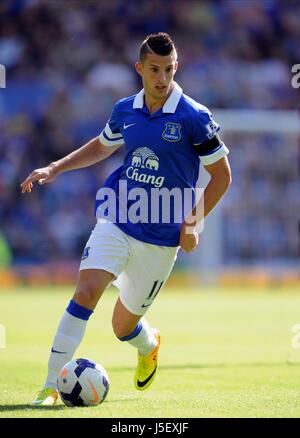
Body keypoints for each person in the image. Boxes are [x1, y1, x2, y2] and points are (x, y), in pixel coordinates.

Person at [21, 33, 231, 406]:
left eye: (168, 69)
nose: (162, 78)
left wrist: (193, 222)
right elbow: (102, 145)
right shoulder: (125, 110)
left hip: (161, 239)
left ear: (175, 68)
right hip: (119, 216)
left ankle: (148, 345)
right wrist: (55, 167)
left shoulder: (194, 116)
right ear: (140, 69)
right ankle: (51, 386)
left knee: (122, 327)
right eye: (154, 69)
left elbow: (222, 176)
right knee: (85, 293)